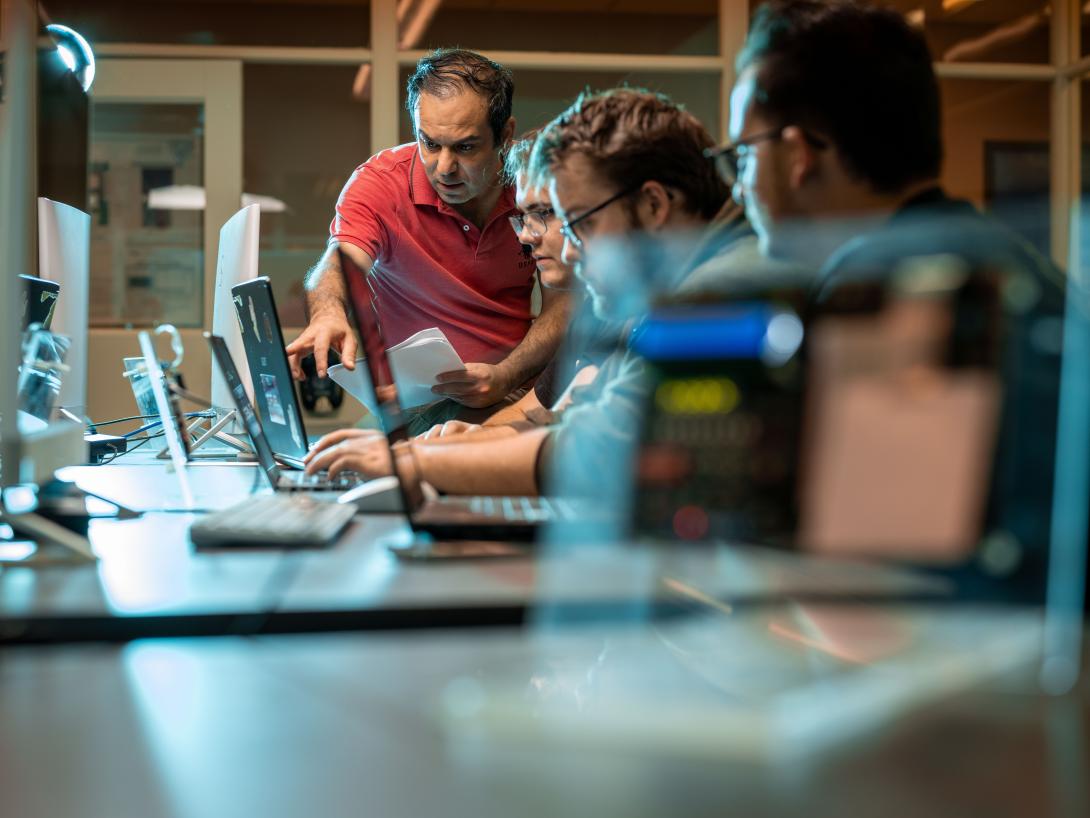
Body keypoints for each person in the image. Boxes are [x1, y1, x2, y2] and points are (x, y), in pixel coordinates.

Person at [723, 0, 1065, 584]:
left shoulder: (879, 291)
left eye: (742, 156)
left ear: (799, 155)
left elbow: (857, 578)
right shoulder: (1009, 263)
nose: (741, 187)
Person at [304, 88, 740, 498]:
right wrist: (434, 452)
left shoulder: (720, 295)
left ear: (653, 206)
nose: (568, 249)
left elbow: (599, 452)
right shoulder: (672, 293)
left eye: (581, 224)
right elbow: (573, 424)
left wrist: (416, 461)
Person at [285, 48, 571, 434]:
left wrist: (504, 376)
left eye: (466, 147)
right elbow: (339, 263)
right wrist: (327, 312)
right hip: (410, 405)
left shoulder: (530, 191)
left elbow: (563, 305)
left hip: (513, 392)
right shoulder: (381, 184)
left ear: (504, 134)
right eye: (430, 143)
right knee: (341, 467)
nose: (444, 167)